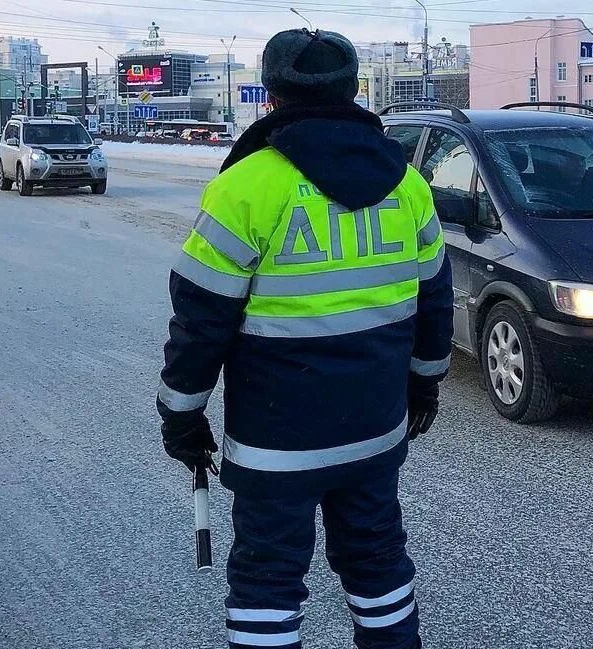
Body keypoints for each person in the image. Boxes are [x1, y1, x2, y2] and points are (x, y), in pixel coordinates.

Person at [156, 28, 453, 649]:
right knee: (378, 565)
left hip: (275, 440)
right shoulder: (408, 184)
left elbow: (199, 322)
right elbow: (435, 306)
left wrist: (181, 415)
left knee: (268, 580)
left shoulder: (246, 187)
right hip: (376, 429)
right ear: (351, 91)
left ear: (272, 95)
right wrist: (424, 386)